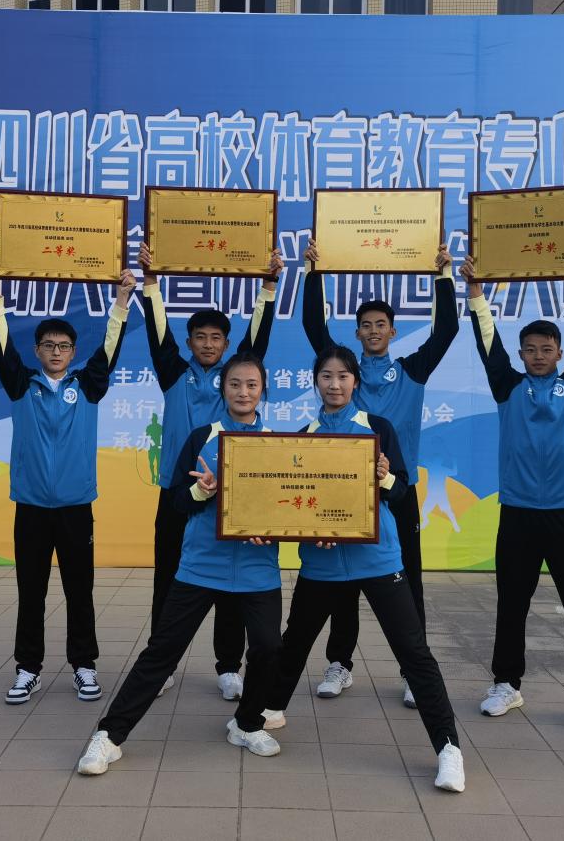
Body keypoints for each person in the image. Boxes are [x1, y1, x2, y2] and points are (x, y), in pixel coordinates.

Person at [260, 345, 465, 792]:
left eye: (343, 376)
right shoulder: (304, 436)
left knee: (414, 652)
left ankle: (448, 748)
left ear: (355, 381)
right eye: (326, 376)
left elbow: (400, 492)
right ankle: (269, 710)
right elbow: (296, 500)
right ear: (316, 381)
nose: (334, 384)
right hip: (322, 564)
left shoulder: (378, 428)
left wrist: (384, 476)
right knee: (294, 643)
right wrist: (308, 528)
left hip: (378, 560)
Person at [77, 352, 284, 775]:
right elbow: (176, 502)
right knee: (162, 651)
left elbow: (290, 504)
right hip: (201, 566)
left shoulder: (280, 445)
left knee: (268, 648)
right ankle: (109, 735)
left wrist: (275, 528)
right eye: (234, 384)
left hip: (257, 570)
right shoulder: (201, 437)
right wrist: (200, 492)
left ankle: (246, 723)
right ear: (222, 389)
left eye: (252, 385)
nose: (243, 392)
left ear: (263, 390)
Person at [462, 243, 564, 735]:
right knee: (511, 604)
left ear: (559, 353)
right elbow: (486, 341)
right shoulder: (507, 386)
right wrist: (475, 292)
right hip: (518, 512)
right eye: (530, 350)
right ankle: (506, 684)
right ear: (521, 355)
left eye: (546, 350)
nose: (537, 356)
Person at [300, 240, 457, 708]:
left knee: (408, 581)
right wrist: (313, 272)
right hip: (343, 493)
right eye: (366, 325)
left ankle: (412, 671)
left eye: (380, 325)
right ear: (357, 331)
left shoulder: (411, 371)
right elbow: (313, 325)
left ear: (392, 331)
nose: (373, 331)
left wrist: (444, 275)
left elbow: (446, 329)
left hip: (396, 491)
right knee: (343, 582)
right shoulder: (345, 372)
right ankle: (340, 663)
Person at [0, 258, 134, 705]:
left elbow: (110, 348)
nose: (55, 352)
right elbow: (0, 348)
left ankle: (84, 665)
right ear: (37, 350)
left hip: (74, 507)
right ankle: (27, 669)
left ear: (72, 351)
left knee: (79, 591)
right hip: (30, 507)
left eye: (63, 346)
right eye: (48, 345)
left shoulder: (88, 386)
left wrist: (122, 300)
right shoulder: (20, 385)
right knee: (31, 592)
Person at [138, 242, 282, 701]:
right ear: (189, 342)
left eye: (216, 338)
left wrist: (269, 286)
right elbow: (157, 331)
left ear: (225, 344)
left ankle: (228, 666)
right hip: (178, 493)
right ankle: (163, 663)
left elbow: (257, 342)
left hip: (228, 494)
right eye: (199, 336)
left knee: (228, 586)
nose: (207, 343)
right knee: (168, 579)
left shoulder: (232, 381)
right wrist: (150, 282)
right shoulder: (173, 373)